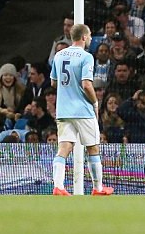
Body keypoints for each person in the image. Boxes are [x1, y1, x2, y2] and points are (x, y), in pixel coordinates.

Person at [50, 23, 114, 196]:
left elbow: (54, 82)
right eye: (90, 35)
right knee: (93, 148)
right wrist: (95, 102)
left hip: (63, 110)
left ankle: (58, 186)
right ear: (84, 37)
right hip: (82, 110)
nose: (92, 39)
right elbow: (86, 84)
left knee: (63, 148)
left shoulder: (59, 55)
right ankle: (98, 188)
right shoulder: (86, 57)